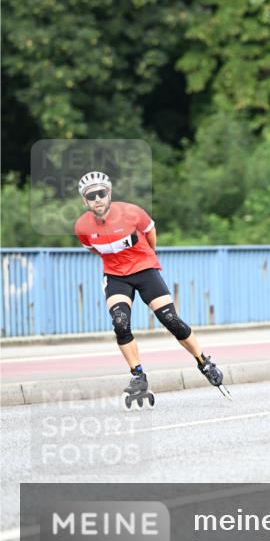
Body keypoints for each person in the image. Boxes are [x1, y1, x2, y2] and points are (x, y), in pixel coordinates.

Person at [74, 171, 227, 404]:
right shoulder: (82, 227)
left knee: (170, 320)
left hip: (144, 269)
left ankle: (204, 362)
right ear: (84, 201)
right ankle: (138, 376)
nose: (97, 199)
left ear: (109, 193)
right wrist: (117, 264)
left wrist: (148, 258)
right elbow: (94, 249)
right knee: (120, 323)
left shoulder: (132, 213)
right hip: (116, 276)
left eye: (101, 193)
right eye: (91, 196)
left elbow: (151, 234)